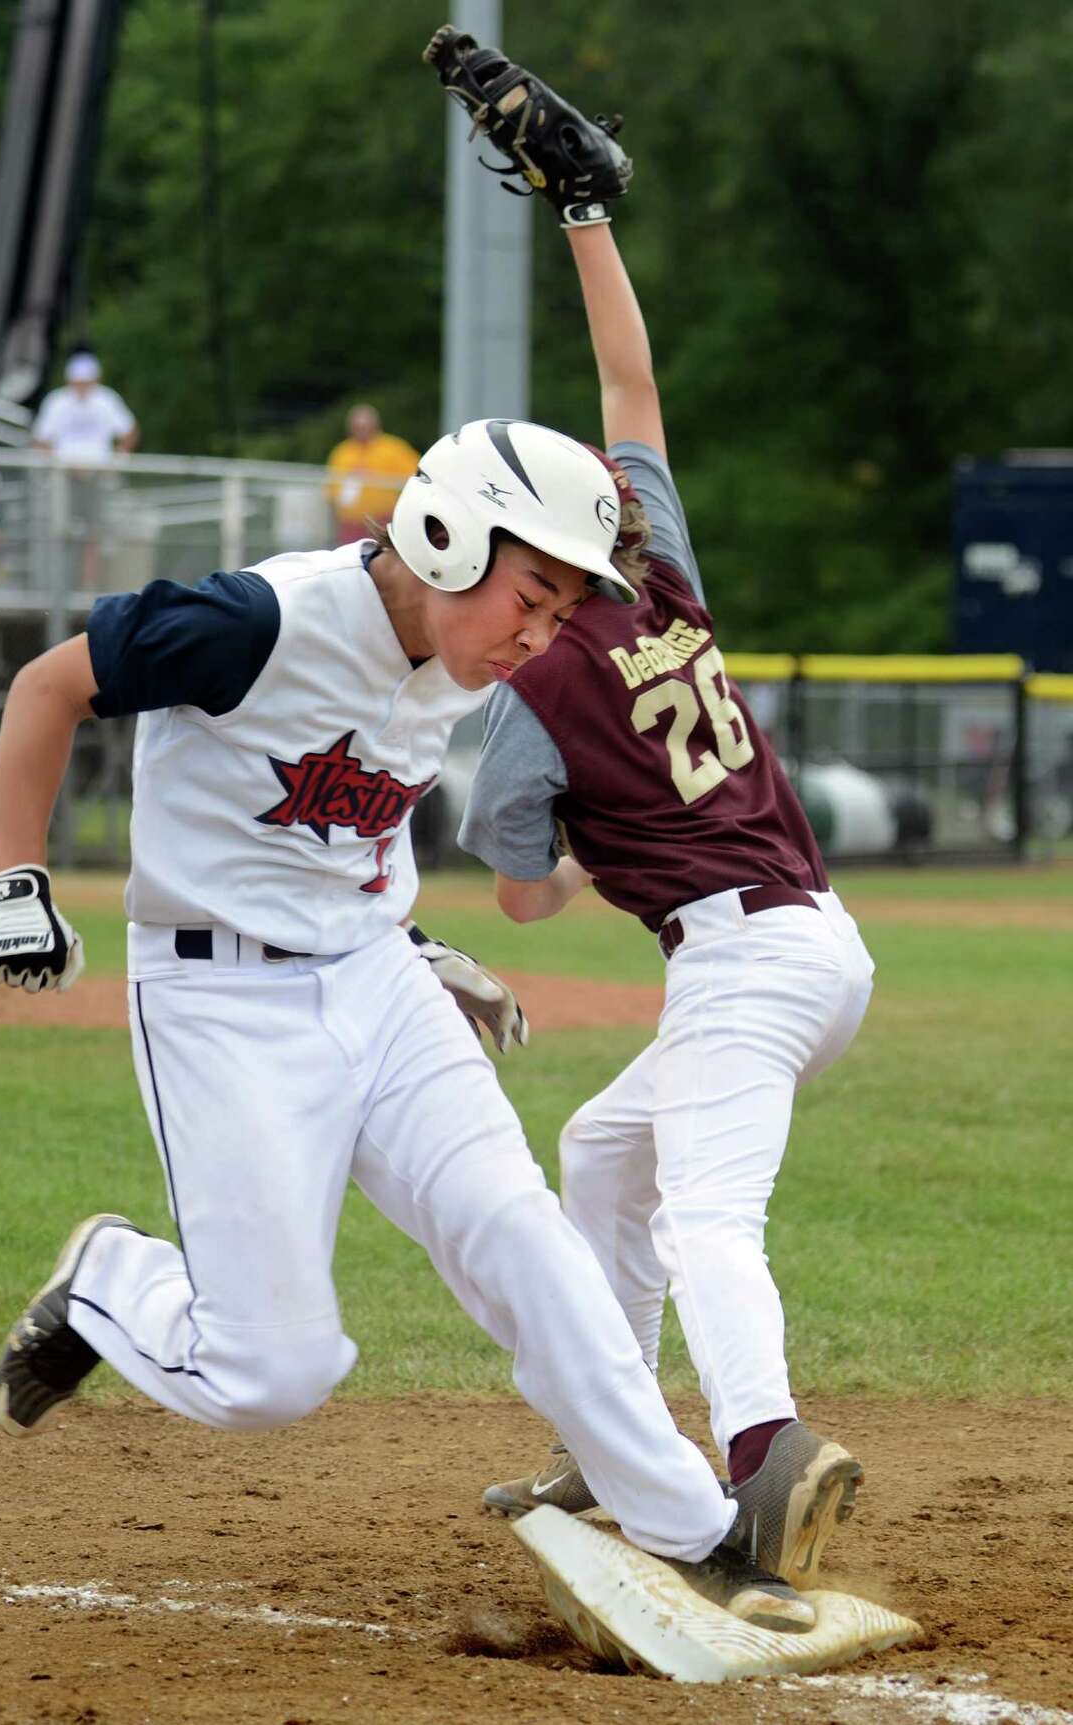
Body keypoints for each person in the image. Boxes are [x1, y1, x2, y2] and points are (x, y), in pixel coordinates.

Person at [0, 415, 818, 1635]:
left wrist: (409, 940)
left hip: (376, 979)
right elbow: (48, 686)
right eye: (527, 598)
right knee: (272, 1373)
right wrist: (18, 882)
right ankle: (109, 1282)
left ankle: (699, 1533)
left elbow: (344, 821)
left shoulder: (461, 666)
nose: (536, 638)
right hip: (222, 1001)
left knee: (526, 1241)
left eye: (557, 613)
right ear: (444, 534)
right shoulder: (255, 623)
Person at [459, 190, 873, 1589]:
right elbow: (629, 378)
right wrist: (584, 208)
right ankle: (618, 1434)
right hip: (820, 945)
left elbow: (519, 903)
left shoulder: (522, 690)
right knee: (601, 1151)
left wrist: (582, 857)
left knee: (704, 1215)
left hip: (740, 964)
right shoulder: (662, 571)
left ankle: (762, 1454)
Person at [32, 352, 139, 590]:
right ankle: (59, 584)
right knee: (61, 530)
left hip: (96, 476)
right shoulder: (57, 401)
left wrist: (115, 462)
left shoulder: (106, 400)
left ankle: (89, 585)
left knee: (95, 532)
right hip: (64, 477)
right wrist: (59, 462)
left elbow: (129, 431)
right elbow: (40, 439)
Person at [325, 404, 419, 544]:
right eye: (357, 427)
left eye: (364, 426)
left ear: (375, 425)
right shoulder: (342, 452)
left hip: (383, 522)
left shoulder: (394, 449)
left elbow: (415, 478)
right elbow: (332, 491)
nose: (361, 431)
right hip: (350, 524)